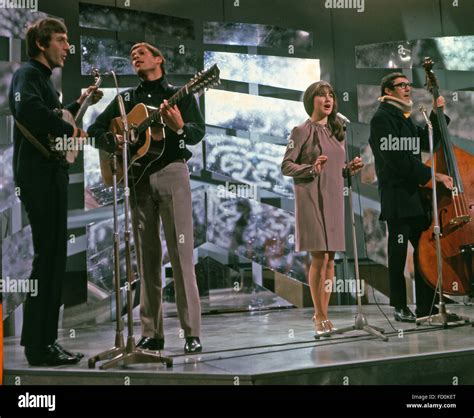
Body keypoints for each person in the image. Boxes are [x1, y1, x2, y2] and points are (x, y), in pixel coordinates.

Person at [88, 42, 205, 353]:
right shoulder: (126, 100)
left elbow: (196, 132)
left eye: (142, 53)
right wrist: (115, 140)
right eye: (132, 55)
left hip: (173, 174)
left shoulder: (182, 94)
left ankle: (191, 334)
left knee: (182, 258)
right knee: (146, 260)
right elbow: (94, 130)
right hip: (138, 180)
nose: (135, 57)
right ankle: (151, 332)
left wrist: (179, 128)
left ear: (159, 58)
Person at [8, 18, 103, 366]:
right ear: (41, 45)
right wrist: (66, 125)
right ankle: (38, 345)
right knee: (48, 260)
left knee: (52, 260)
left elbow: (53, 119)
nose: (67, 47)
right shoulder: (28, 75)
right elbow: (28, 110)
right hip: (40, 177)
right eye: (61, 41)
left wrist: (79, 105)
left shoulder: (43, 81)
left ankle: (45, 341)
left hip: (50, 175)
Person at [368, 72, 453, 322]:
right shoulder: (382, 119)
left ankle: (426, 306)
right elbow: (396, 161)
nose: (408, 88)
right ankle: (399, 306)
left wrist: (438, 115)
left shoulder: (403, 119)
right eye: (401, 85)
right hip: (397, 199)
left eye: (408, 84)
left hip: (413, 198)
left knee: (425, 251)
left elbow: (428, 142)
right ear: (388, 90)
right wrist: (432, 176)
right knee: (398, 252)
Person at [281, 81, 363, 336]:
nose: (327, 99)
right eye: (321, 95)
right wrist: (310, 169)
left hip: (334, 198)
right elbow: (286, 166)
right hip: (311, 197)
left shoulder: (338, 131)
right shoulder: (301, 130)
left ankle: (324, 313)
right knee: (319, 256)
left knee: (331, 260)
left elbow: (334, 168)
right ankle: (320, 316)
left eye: (330, 95)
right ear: (311, 100)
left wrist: (348, 170)